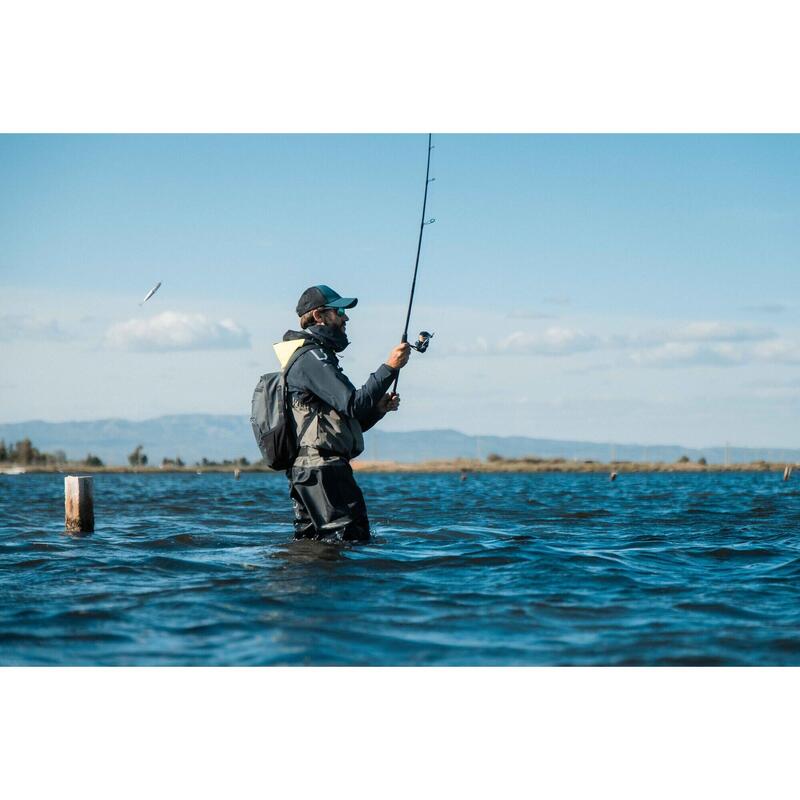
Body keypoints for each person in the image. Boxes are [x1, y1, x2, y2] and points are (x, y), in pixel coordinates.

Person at [274, 285, 410, 542]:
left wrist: (377, 410)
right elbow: (353, 403)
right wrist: (389, 367)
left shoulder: (314, 357)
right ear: (319, 316)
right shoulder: (311, 357)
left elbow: (341, 421)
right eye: (339, 311)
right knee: (350, 540)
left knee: (312, 544)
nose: (346, 318)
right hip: (322, 471)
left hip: (312, 470)